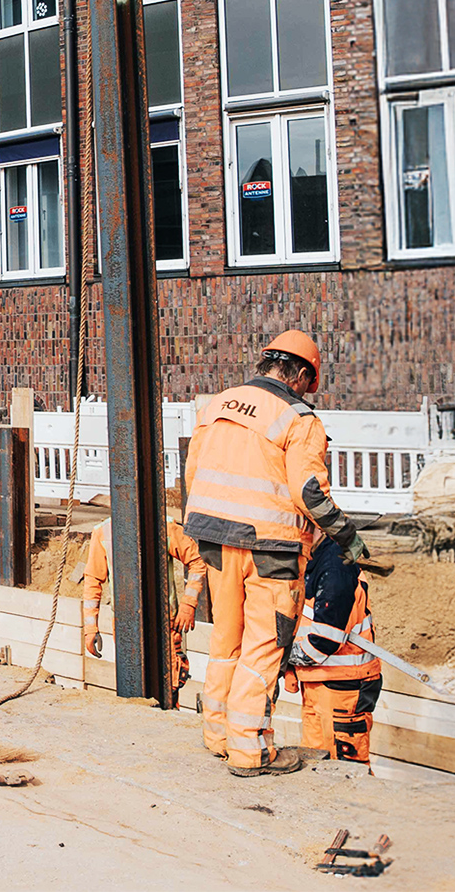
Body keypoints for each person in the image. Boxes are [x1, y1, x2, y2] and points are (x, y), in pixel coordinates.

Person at [181, 329, 366, 778]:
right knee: (264, 647)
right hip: (272, 550)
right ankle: (250, 752)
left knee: (227, 639)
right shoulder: (298, 417)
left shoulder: (217, 405)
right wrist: (346, 535)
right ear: (300, 374)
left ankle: (220, 734)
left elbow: (192, 473)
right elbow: (309, 492)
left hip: (214, 540)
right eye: (309, 381)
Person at [79, 506, 208, 690]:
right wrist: (90, 628)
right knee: (132, 686)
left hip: (164, 623)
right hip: (125, 624)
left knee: (168, 685)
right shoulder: (103, 533)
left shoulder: (165, 527)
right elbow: (92, 581)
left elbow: (196, 561)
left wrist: (189, 604)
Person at [286, 537, 382, 764]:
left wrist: (281, 656)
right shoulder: (313, 561)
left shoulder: (335, 568)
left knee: (344, 770)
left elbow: (324, 642)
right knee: (316, 762)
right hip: (319, 682)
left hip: (343, 687)